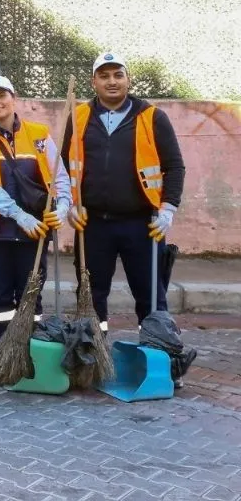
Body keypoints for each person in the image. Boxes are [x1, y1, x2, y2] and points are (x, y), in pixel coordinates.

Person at [62, 52, 186, 334]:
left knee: (151, 298)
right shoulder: (77, 116)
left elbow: (175, 167)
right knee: (91, 297)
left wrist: (168, 209)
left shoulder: (152, 117)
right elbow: (63, 166)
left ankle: (160, 356)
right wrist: (69, 204)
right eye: (104, 76)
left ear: (128, 79)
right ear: (94, 82)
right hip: (91, 224)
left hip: (142, 223)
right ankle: (92, 358)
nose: (112, 81)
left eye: (118, 75)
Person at [0, 75, 70, 341]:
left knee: (31, 295)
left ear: (14, 98)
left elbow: (59, 177)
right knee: (0, 298)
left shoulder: (39, 135)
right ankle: (4, 351)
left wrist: (62, 208)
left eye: (2, 95)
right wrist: (18, 214)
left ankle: (31, 352)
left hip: (34, 232)